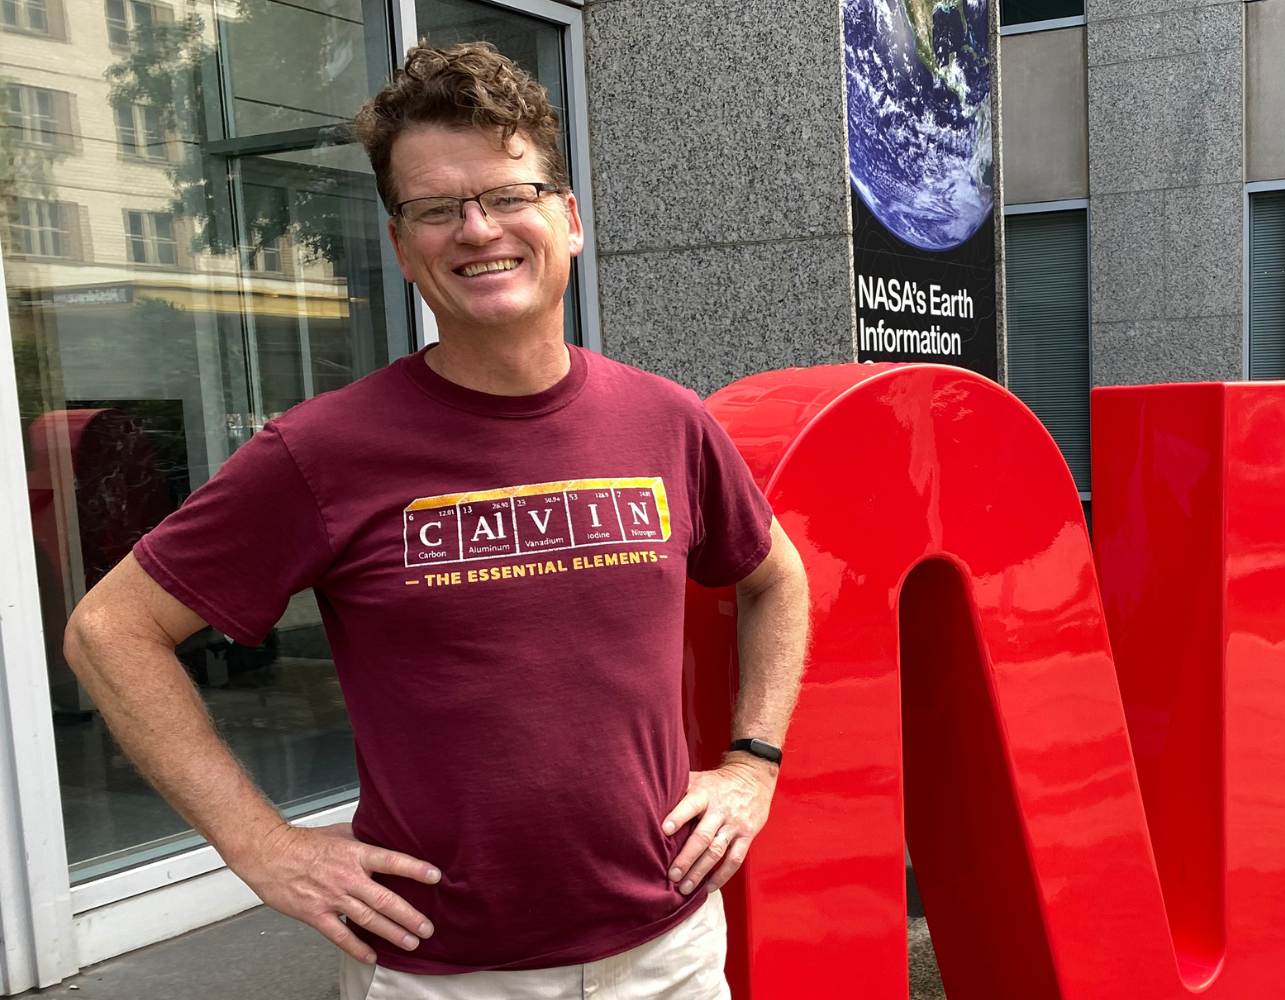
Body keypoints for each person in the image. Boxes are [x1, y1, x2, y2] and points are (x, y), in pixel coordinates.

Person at [61, 42, 807, 999]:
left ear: (568, 219)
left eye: (508, 193)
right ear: (402, 245)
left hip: (669, 952)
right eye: (436, 208)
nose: (477, 228)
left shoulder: (668, 421)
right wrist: (261, 846)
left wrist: (752, 764)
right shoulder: (320, 451)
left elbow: (776, 578)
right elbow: (109, 630)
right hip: (440, 973)